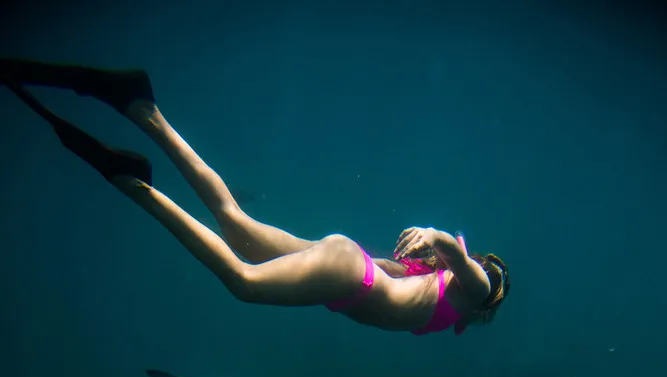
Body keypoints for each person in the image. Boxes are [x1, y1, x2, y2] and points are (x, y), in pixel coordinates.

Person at [1, 58, 510, 337]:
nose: (486, 304)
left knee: (235, 224)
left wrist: (428, 252)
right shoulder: (476, 288)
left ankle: (140, 107)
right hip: (347, 273)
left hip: (348, 266)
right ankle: (134, 183)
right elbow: (469, 267)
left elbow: (419, 267)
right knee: (242, 281)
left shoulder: (437, 289)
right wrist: (439, 238)